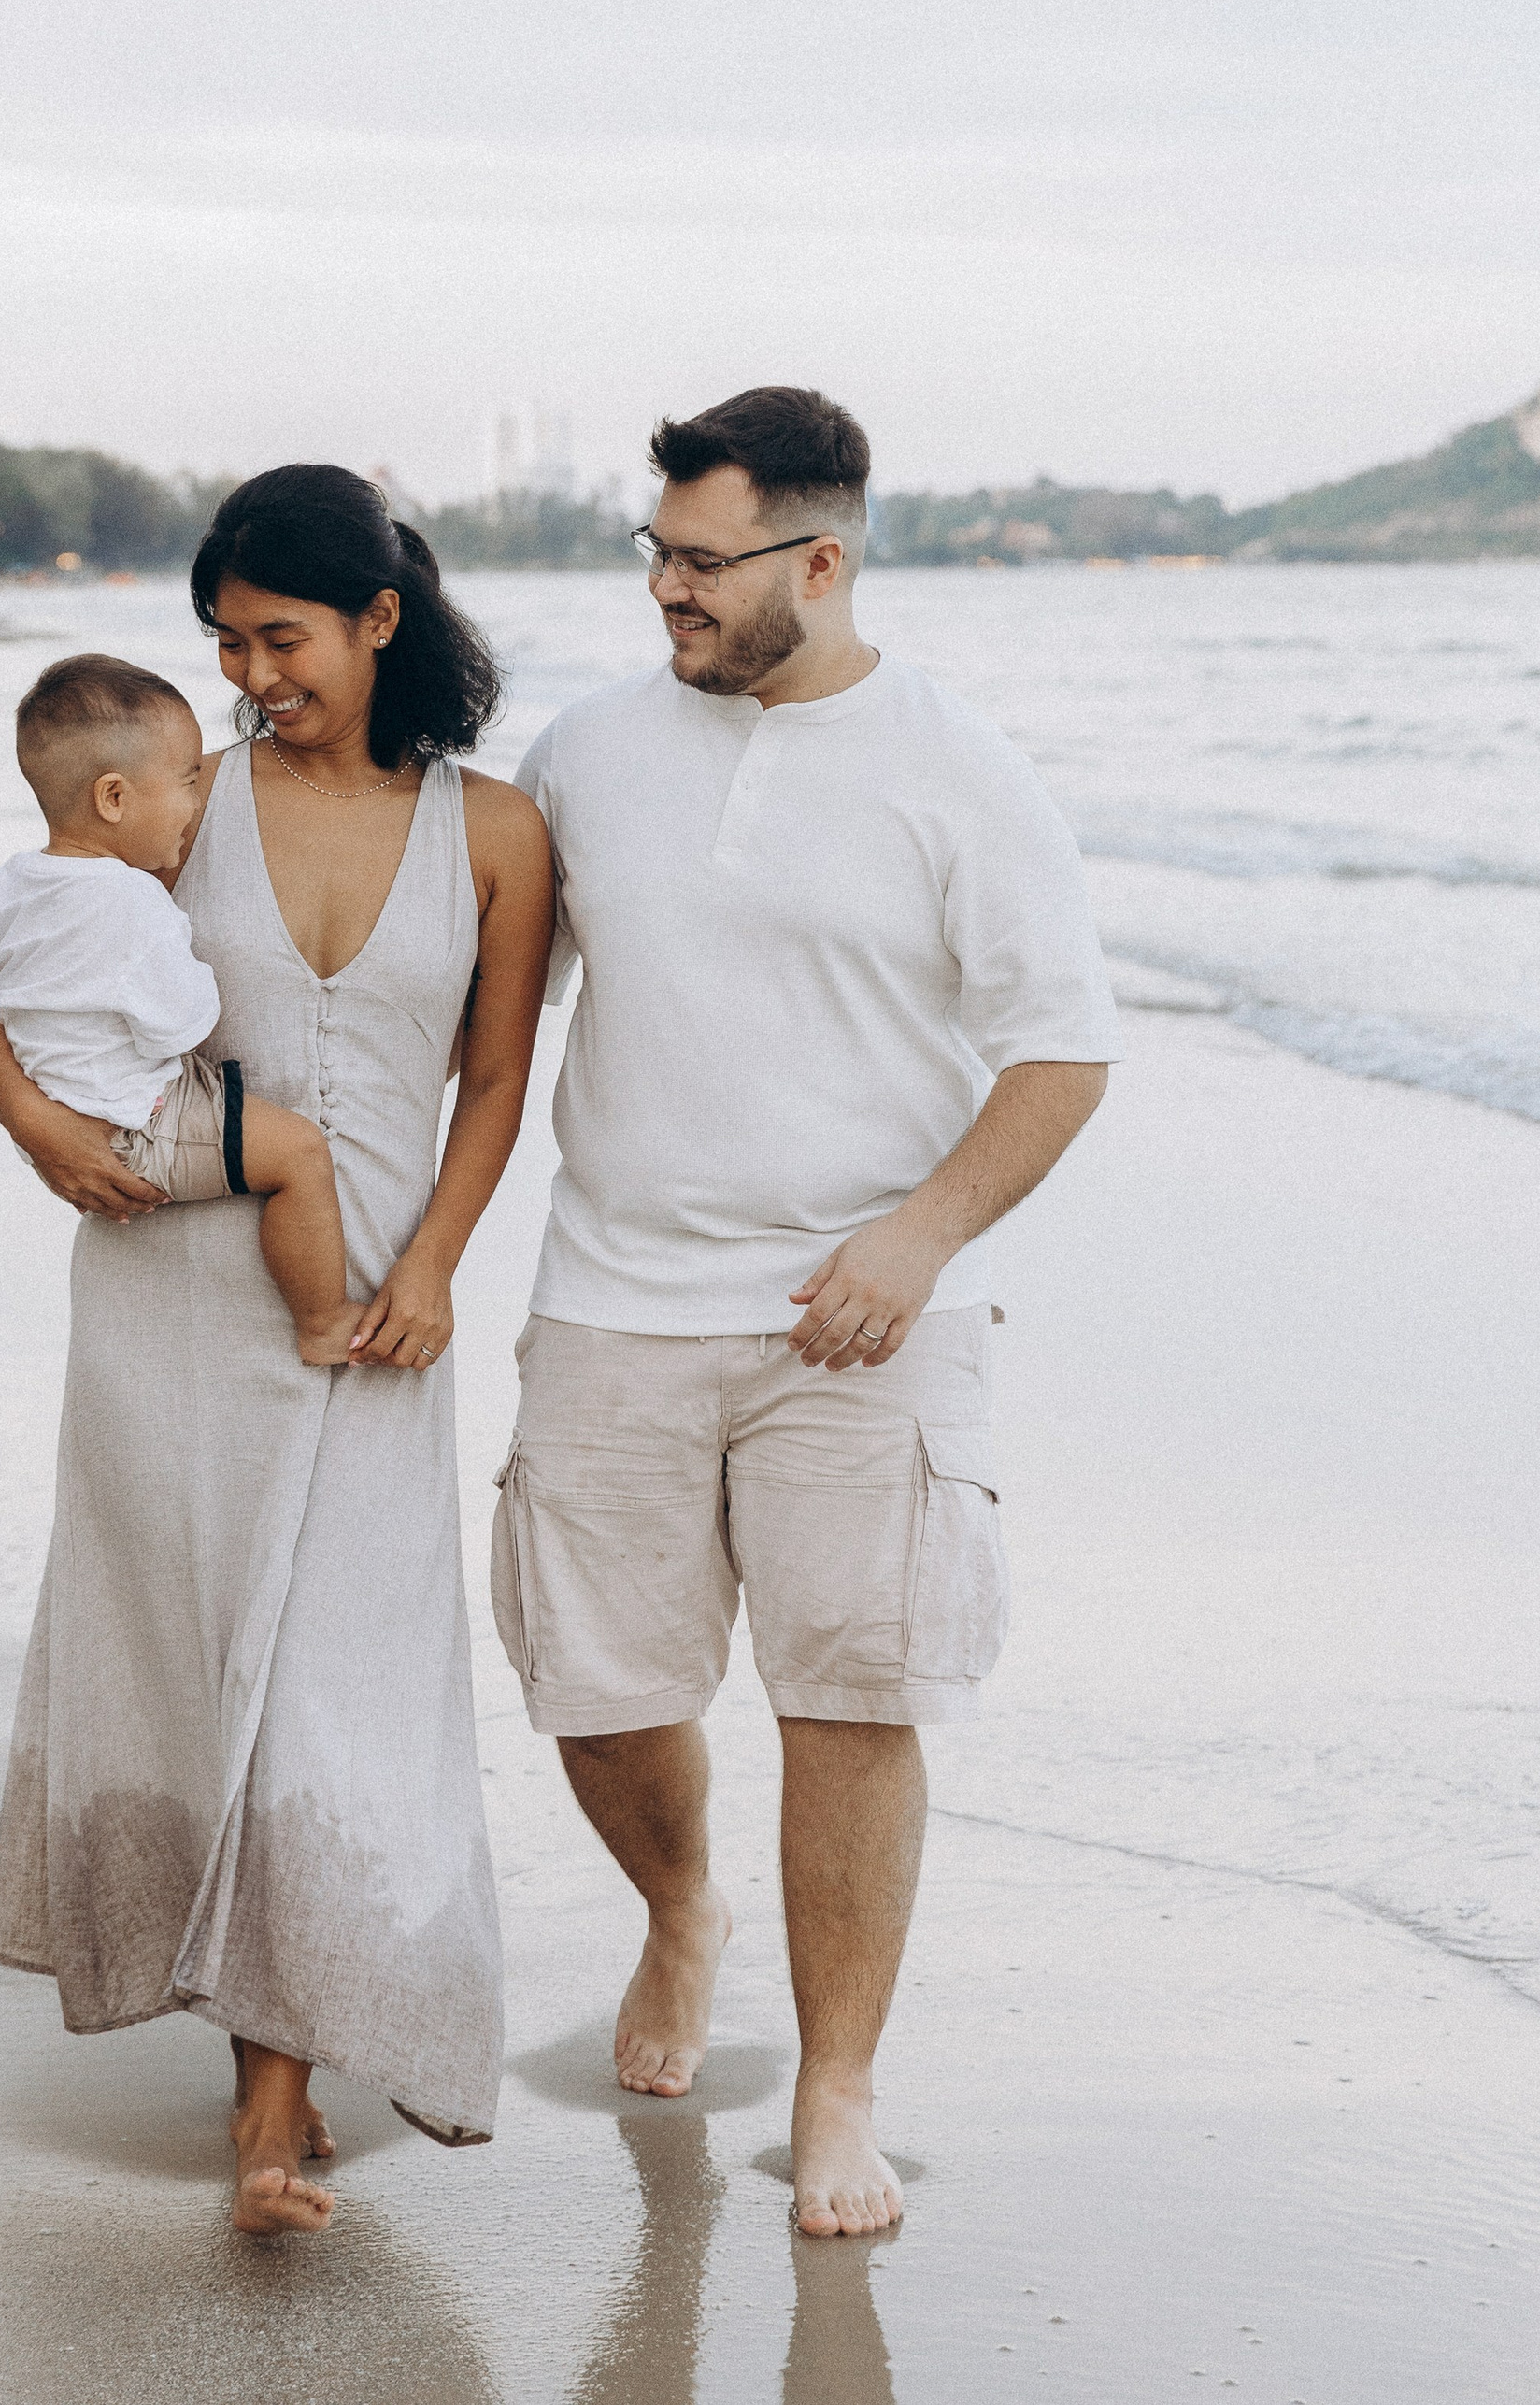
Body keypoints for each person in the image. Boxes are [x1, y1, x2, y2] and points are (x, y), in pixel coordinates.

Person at [499, 385, 1118, 2237]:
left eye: (702, 562)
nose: (665, 591)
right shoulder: (583, 754)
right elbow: (483, 1014)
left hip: (862, 1321)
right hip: (612, 1296)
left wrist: (917, 1240)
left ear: (819, 559)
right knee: (597, 1694)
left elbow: (1059, 1052)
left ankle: (838, 2084)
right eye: (656, 554)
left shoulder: (960, 770)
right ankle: (679, 1912)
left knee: (853, 1699)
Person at [0, 466, 555, 2235]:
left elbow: (499, 1078)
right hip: (171, 1297)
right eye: (224, 643)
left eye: (280, 638)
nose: (251, 675)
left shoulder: (497, 832)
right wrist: (34, 1132)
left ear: (381, 619)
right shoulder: (179, 799)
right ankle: (267, 2109)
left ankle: (291, 2080)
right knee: (215, 1670)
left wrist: (438, 1263)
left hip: (372, 1310)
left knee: (334, 1687)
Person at [0, 653, 361, 1364]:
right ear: (114, 798)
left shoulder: (15, 882)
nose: (195, 805)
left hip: (58, 1110)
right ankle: (323, 1320)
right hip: (138, 1124)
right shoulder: (133, 901)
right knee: (299, 1155)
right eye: (187, 783)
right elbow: (183, 1025)